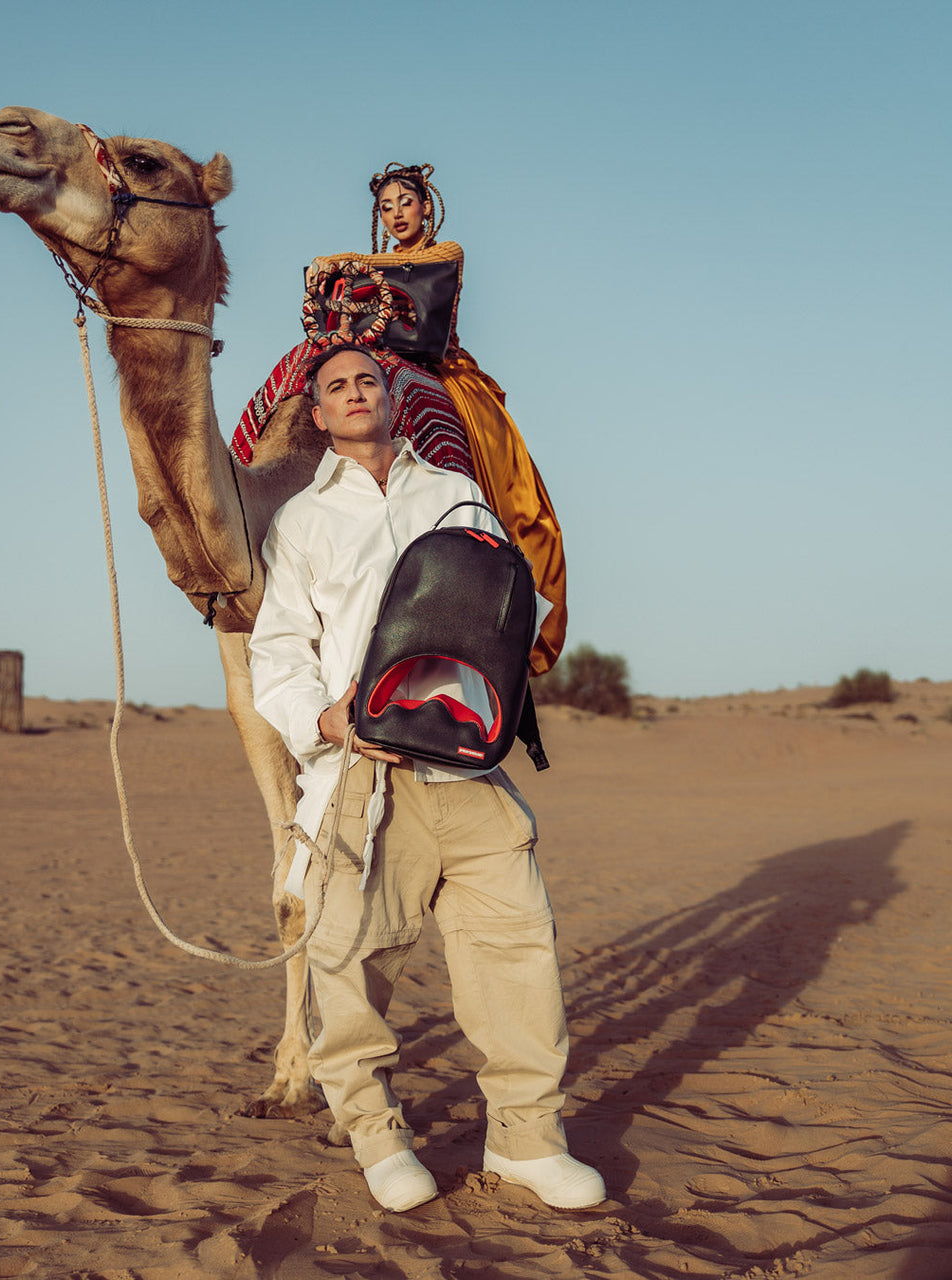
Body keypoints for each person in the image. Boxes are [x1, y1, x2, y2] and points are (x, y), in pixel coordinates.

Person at [248, 343, 604, 1214]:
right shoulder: (300, 524)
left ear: (392, 398)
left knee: (518, 956)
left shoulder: (452, 494)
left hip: (467, 771)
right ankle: (376, 1137)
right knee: (350, 965)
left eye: (367, 379)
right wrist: (325, 720)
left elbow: (499, 604)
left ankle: (528, 1141)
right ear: (318, 415)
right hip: (364, 776)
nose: (354, 392)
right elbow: (277, 653)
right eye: (335, 386)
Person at [305, 162, 568, 678]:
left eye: (406, 202)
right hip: (382, 363)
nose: (397, 214)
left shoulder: (445, 254)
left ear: (426, 207)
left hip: (447, 373)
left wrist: (341, 260)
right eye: (387, 207)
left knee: (495, 482)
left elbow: (412, 276)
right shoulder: (375, 267)